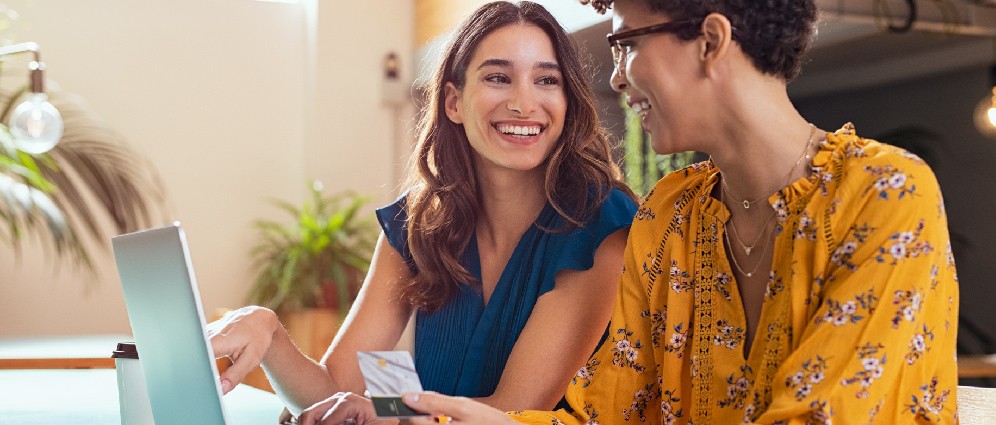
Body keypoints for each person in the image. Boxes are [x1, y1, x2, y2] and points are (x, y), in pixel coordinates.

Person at [389, 0, 962, 423]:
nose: (615, 77)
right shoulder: (672, 215)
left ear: (711, 41)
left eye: (626, 45)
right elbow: (607, 411)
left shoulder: (885, 192)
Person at [206, 1, 639, 423]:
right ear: (453, 101)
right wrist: (270, 335)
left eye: (547, 80)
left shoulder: (599, 226)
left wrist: (394, 411)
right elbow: (336, 386)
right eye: (498, 77)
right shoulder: (419, 223)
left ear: (568, 100)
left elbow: (512, 412)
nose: (523, 103)